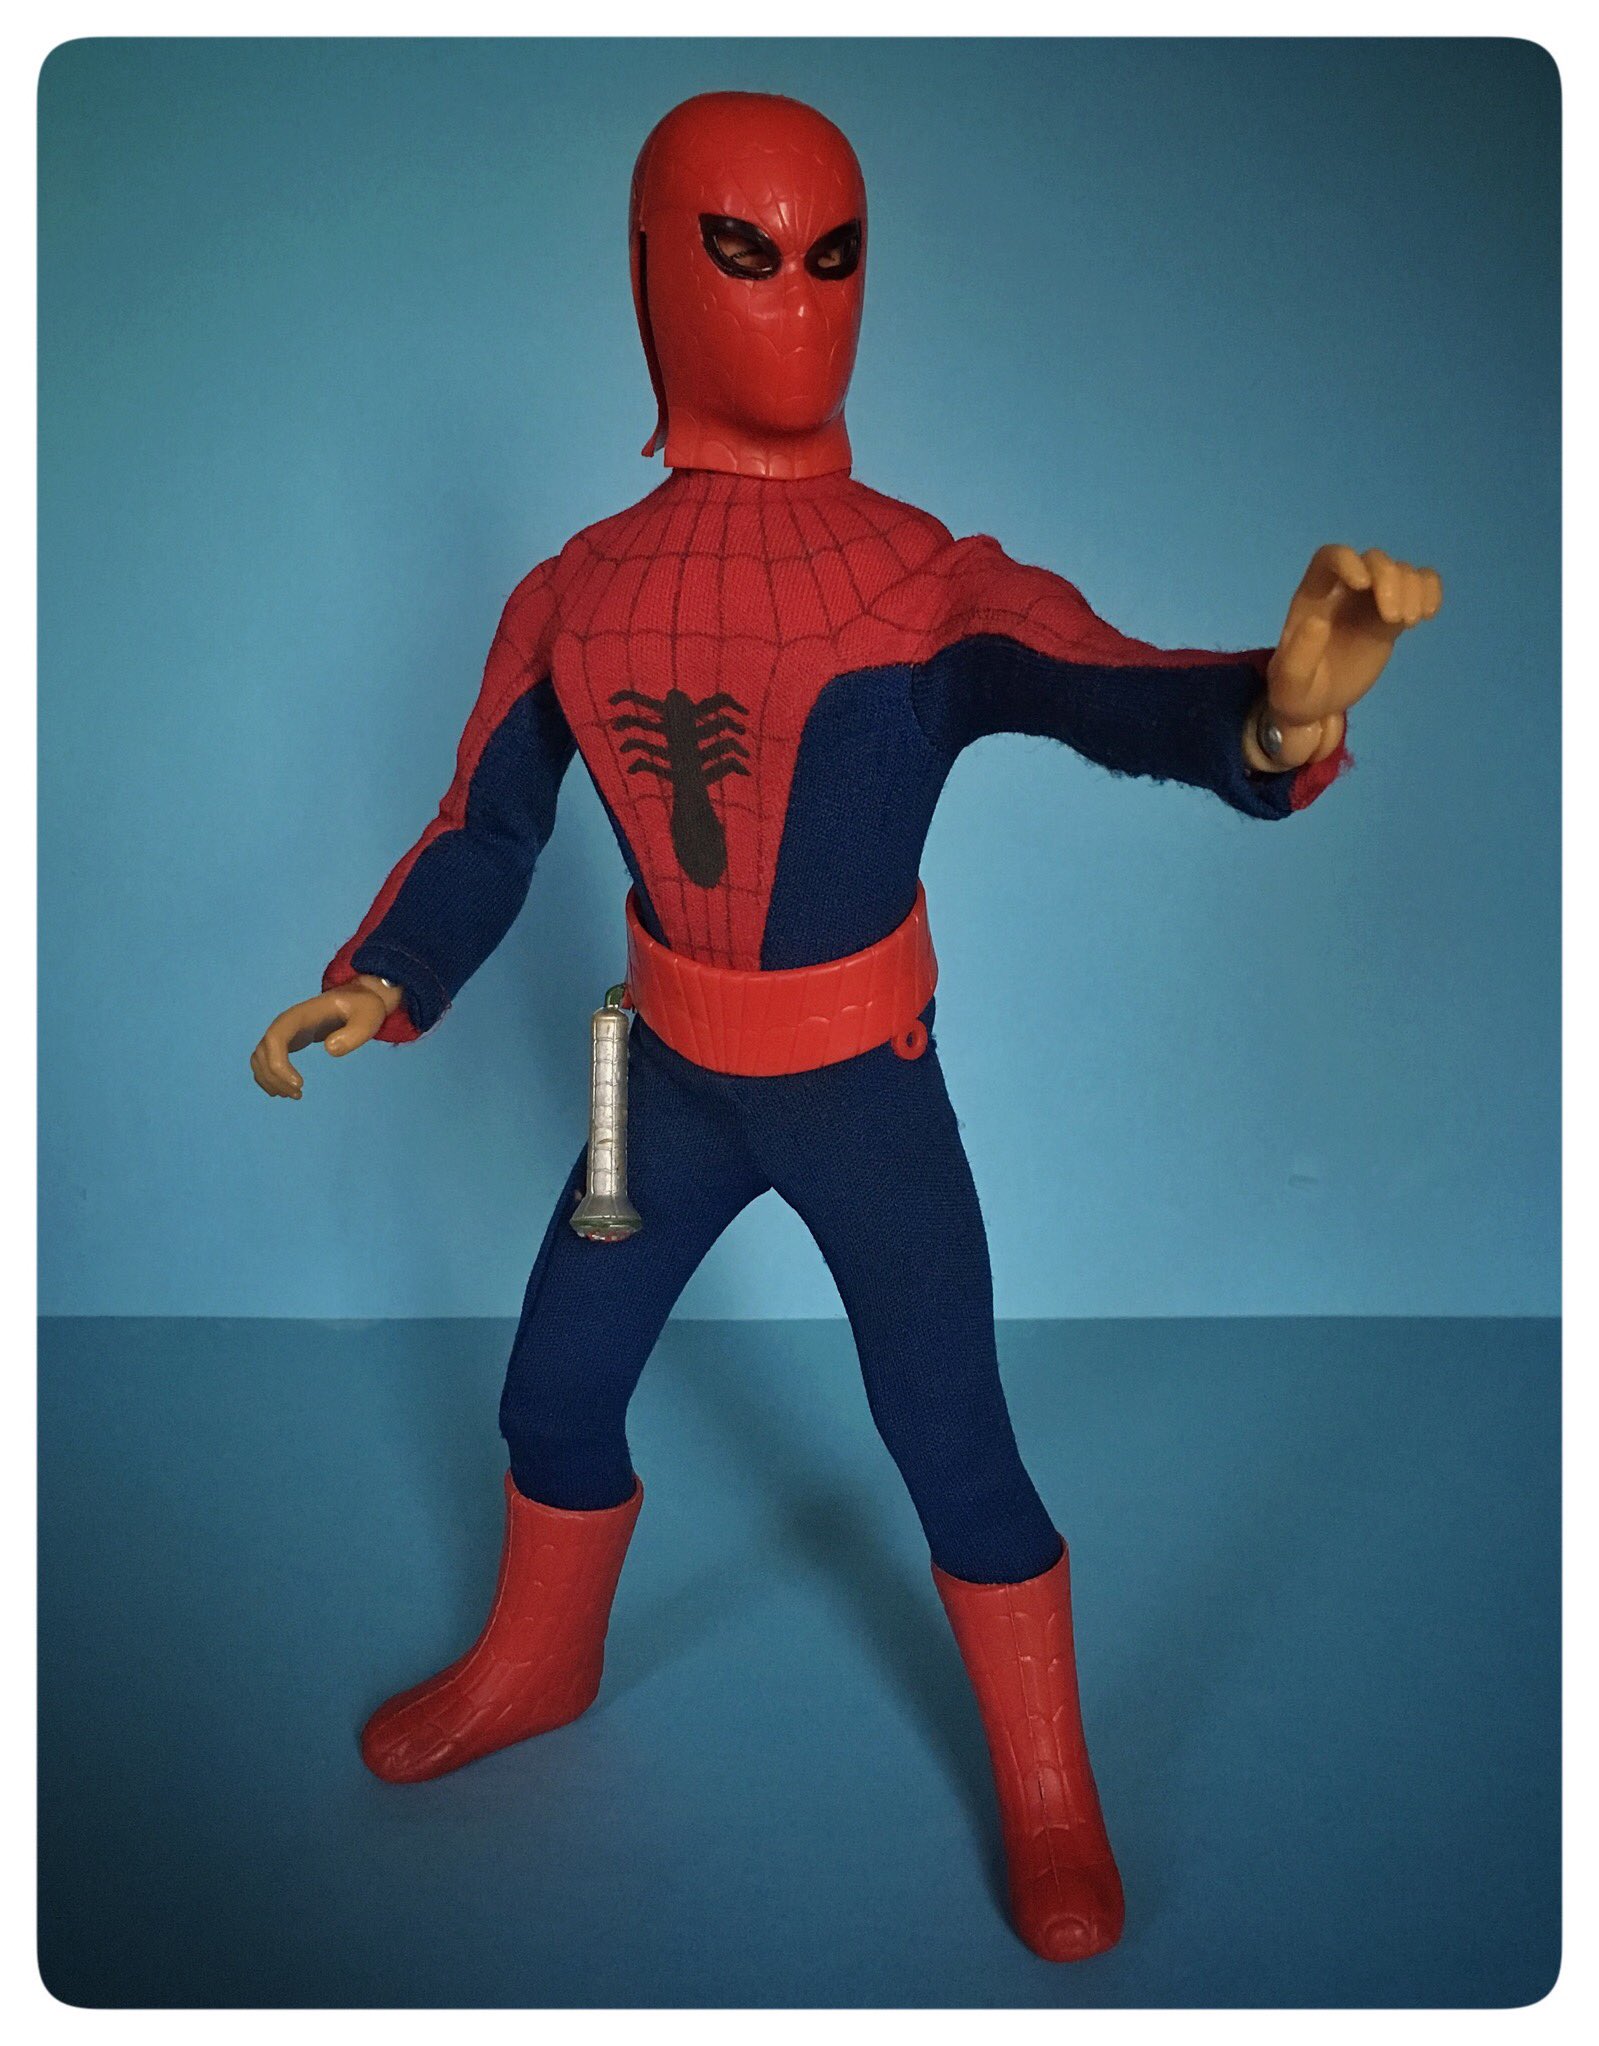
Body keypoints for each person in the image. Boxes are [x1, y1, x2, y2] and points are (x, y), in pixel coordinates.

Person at [251, 91, 1441, 1963]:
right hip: (653, 1078)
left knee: (951, 1433)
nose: (798, 301)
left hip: (860, 1089)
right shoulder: (576, 592)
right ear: (651, 270)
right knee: (554, 1380)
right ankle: (539, 1660)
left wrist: (1275, 716)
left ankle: (1047, 1782)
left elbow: (1114, 684)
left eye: (836, 257)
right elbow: (487, 823)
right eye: (745, 254)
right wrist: (389, 970)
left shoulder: (919, 580)